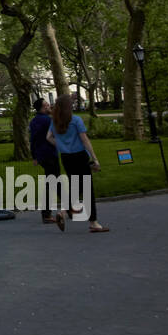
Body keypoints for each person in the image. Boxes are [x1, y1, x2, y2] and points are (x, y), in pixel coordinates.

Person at [46, 94, 109, 233]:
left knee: (77, 186)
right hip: (80, 156)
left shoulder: (55, 121)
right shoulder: (75, 120)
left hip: (66, 158)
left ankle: (63, 211)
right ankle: (93, 222)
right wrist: (95, 158)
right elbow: (85, 140)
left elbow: (48, 137)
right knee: (87, 189)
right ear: (69, 106)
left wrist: (61, 145)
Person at [29, 97, 60, 225]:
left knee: (56, 181)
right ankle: (46, 214)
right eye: (47, 105)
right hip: (50, 154)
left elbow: (33, 139)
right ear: (43, 108)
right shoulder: (48, 120)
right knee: (52, 182)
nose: (49, 107)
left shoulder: (34, 121)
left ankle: (69, 208)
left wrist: (34, 156)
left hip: (41, 155)